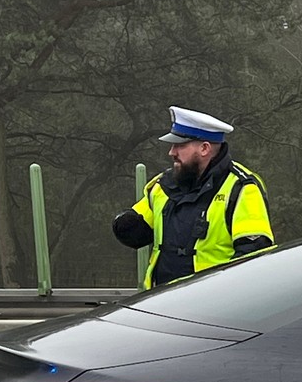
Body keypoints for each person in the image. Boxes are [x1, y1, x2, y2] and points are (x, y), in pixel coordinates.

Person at [112, 107, 275, 289]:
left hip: (211, 308)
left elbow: (254, 258)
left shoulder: (241, 188)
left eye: (180, 145)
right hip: (159, 303)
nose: (172, 152)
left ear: (204, 148)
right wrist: (123, 224)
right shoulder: (164, 185)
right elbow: (136, 231)